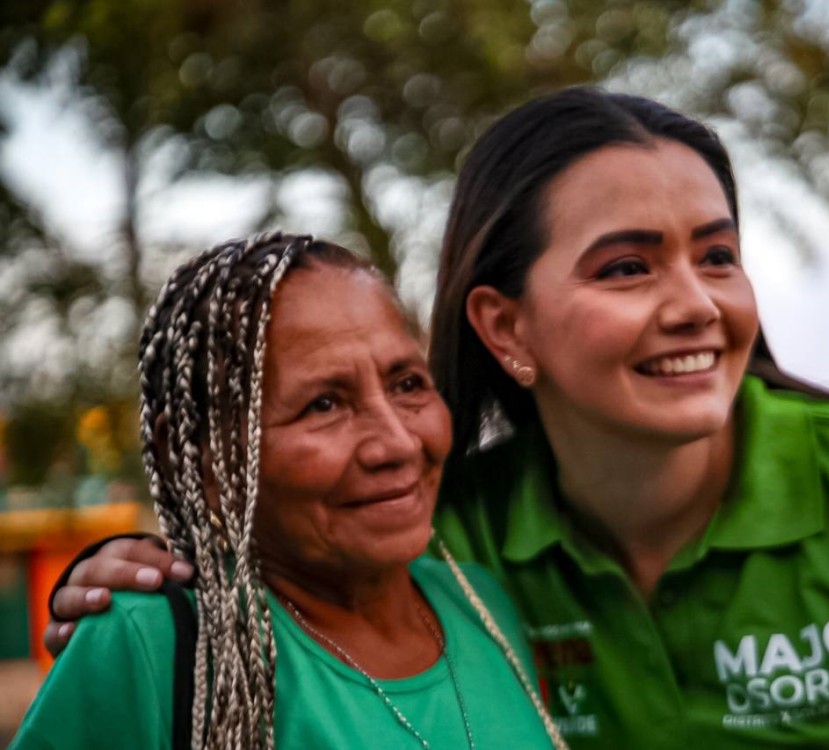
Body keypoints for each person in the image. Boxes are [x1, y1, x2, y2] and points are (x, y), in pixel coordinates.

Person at [45, 90, 829, 748]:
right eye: (627, 267)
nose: (694, 303)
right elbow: (276, 550)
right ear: (505, 327)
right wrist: (134, 576)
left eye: (717, 255)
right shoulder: (452, 542)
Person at [15, 234, 565, 749]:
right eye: (324, 404)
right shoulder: (151, 642)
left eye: (407, 384)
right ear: (204, 458)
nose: (398, 443)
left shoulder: (482, 604)